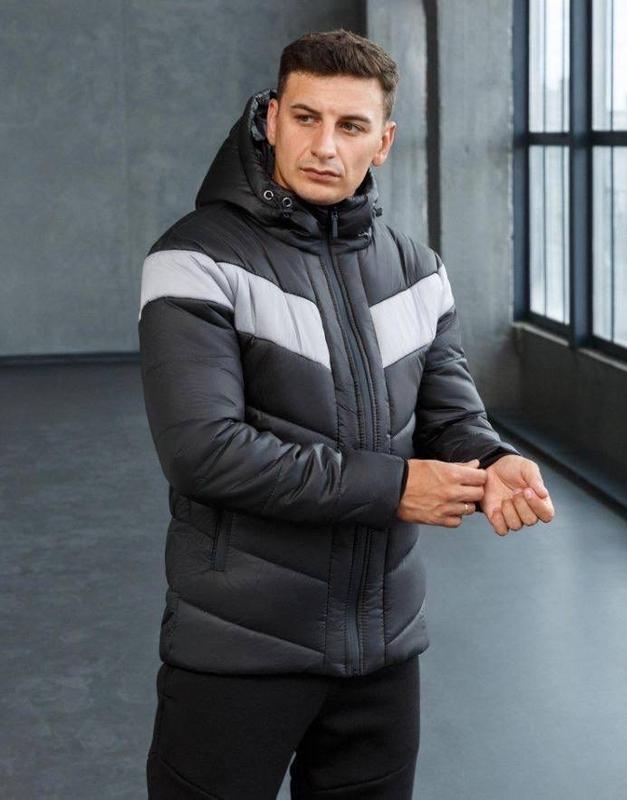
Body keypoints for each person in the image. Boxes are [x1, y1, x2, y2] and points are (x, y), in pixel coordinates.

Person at [138, 28, 555, 800]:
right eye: (306, 117)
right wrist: (395, 487)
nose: (324, 145)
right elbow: (205, 451)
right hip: (241, 650)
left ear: (383, 141)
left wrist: (495, 461)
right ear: (272, 119)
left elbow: (451, 419)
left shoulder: (418, 271)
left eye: (351, 125)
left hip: (383, 651)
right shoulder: (195, 259)